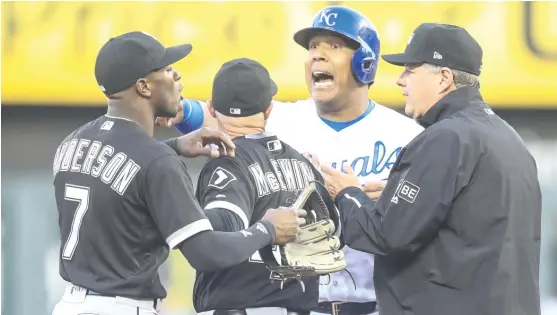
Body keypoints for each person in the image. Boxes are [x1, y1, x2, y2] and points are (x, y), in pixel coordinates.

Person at [157, 6, 424, 315]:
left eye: (334, 46)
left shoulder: (406, 135)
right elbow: (217, 114)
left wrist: (398, 196)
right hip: (295, 303)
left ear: (365, 62)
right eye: (313, 47)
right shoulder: (279, 118)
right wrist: (177, 109)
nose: (317, 56)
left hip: (372, 303)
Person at [51, 31, 306, 315]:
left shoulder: (73, 142)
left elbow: (121, 171)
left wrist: (173, 145)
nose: (177, 76)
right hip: (122, 306)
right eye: (167, 69)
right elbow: (205, 252)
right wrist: (267, 229)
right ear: (144, 87)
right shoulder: (156, 160)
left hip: (70, 304)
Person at [312, 23, 542, 315]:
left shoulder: (447, 137)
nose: (400, 80)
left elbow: (385, 235)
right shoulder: (507, 136)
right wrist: (395, 196)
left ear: (443, 78)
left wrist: (347, 194)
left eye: (410, 69)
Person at [192, 57, 337, 315]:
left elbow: (221, 229)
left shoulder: (227, 164)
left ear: (211, 109)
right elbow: (336, 235)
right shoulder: (304, 166)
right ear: (269, 110)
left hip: (239, 307)